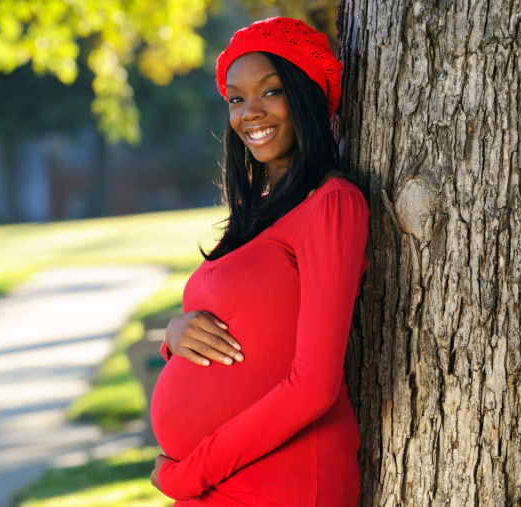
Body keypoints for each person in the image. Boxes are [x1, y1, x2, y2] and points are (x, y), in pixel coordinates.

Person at [149, 16, 370, 506]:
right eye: (236, 98)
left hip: (281, 482)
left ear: (305, 95)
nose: (250, 112)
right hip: (226, 480)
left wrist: (191, 473)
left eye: (270, 92)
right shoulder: (257, 214)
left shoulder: (331, 204)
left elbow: (313, 387)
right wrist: (174, 336)